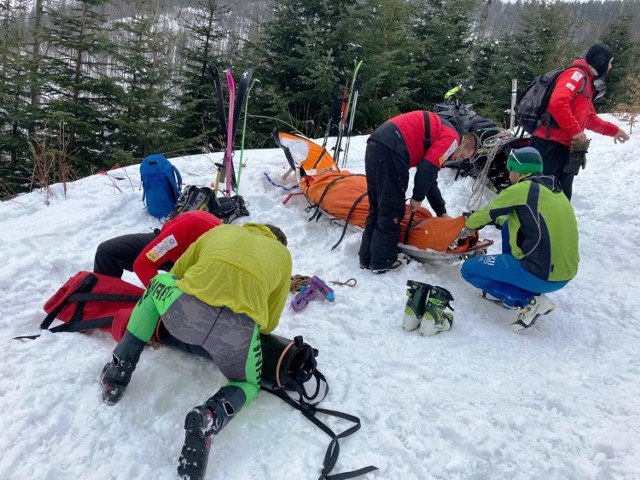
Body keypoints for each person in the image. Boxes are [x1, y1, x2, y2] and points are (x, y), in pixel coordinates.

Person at [99, 222, 292, 480]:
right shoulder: (283, 257)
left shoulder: (220, 231)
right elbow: (269, 323)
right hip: (235, 335)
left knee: (159, 281)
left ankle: (118, 371)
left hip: (183, 317)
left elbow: (178, 273)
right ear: (278, 242)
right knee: (247, 383)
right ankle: (211, 415)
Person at [459, 147, 579, 333]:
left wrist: (469, 222)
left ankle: (528, 301)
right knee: (508, 225)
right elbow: (522, 219)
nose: (509, 174)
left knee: (469, 270)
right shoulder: (553, 190)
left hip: (540, 275)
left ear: (519, 170)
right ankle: (515, 286)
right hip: (564, 273)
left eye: (510, 169)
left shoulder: (521, 189)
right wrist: (495, 221)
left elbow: (486, 212)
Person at [358, 110, 479, 273]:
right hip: (394, 148)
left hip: (377, 142)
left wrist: (440, 211)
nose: (459, 159)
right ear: (464, 143)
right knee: (392, 210)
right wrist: (417, 198)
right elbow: (426, 169)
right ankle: (382, 261)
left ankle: (366, 258)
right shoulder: (453, 138)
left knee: (377, 207)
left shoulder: (442, 131)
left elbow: (430, 178)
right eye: (463, 155)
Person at [529, 43, 629, 200]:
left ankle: (558, 224)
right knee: (539, 196)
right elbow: (557, 103)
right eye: (610, 62)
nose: (610, 67)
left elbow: (589, 119)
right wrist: (576, 131)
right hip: (548, 145)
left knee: (560, 197)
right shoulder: (576, 75)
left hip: (564, 149)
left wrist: (614, 130)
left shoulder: (587, 82)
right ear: (601, 61)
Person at [93, 210, 222, 286]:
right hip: (174, 244)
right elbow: (143, 264)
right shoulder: (183, 232)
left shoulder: (229, 253)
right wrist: (161, 297)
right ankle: (102, 304)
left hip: (195, 261)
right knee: (107, 252)